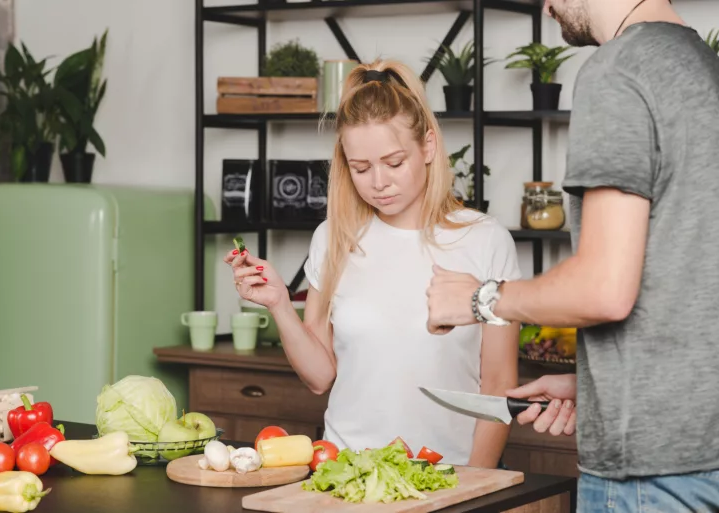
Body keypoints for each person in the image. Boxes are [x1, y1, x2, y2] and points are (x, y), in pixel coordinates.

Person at [426, 0, 719, 510]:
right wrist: (598, 385)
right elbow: (693, 286)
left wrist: (481, 300)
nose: (546, 4)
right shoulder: (703, 68)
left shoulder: (620, 69)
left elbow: (603, 290)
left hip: (651, 474)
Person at [224, 59, 522, 467]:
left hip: (447, 474)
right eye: (360, 168)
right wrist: (278, 304)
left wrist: (475, 484)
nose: (378, 182)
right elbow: (319, 377)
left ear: (428, 146)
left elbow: (499, 384)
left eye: (394, 163)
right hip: (345, 471)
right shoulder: (333, 237)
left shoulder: (485, 239)